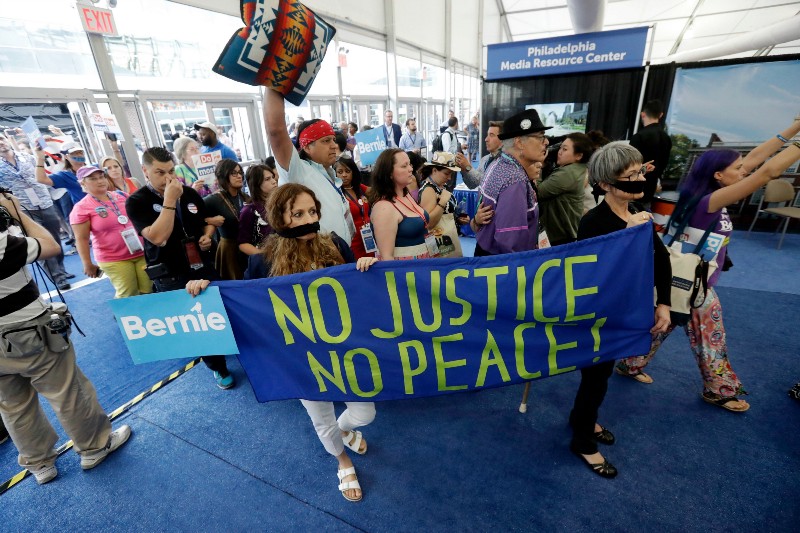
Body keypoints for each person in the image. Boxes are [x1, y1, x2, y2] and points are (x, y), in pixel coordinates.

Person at [187, 184, 378, 502]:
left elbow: (359, 290)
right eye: (298, 214)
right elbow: (246, 303)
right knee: (321, 417)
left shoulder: (335, 244)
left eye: (312, 211)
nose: (308, 219)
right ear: (280, 219)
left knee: (364, 414)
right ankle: (342, 461)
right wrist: (207, 289)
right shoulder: (264, 261)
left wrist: (367, 268)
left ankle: (344, 432)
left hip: (344, 350)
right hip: (298, 358)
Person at [615, 123, 800, 412]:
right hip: (695, 287)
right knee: (710, 338)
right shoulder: (710, 201)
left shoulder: (705, 193)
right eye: (738, 169)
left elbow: (756, 161)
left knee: (663, 323)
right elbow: (767, 172)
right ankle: (719, 389)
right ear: (718, 175)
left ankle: (629, 363)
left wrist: (794, 128)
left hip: (684, 281)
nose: (744, 171)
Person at [0, 191, 131, 485]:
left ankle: (39, 464)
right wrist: (18, 213)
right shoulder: (3, 242)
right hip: (24, 327)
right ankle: (95, 446)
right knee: (66, 390)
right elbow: (49, 245)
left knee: (12, 404)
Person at [570, 141, 672, 478]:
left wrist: (665, 303)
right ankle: (583, 442)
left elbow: (662, 259)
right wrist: (627, 239)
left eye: (640, 171)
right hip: (598, 317)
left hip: (626, 314)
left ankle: (581, 420)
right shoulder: (594, 222)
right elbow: (591, 278)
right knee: (595, 379)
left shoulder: (636, 216)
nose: (639, 178)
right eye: (629, 175)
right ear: (604, 184)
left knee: (600, 378)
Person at [125, 147, 235, 390]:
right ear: (145, 171)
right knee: (195, 321)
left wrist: (207, 236)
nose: (167, 178)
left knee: (217, 309)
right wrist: (169, 200)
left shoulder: (188, 193)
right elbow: (158, 237)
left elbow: (205, 222)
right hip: (171, 272)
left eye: (171, 171)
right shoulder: (137, 201)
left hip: (200, 263)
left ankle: (227, 348)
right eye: (159, 172)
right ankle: (218, 366)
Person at [264, 89, 355, 244]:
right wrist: (274, 84)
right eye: (326, 141)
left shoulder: (328, 173)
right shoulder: (297, 171)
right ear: (307, 147)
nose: (334, 145)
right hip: (316, 260)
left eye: (333, 139)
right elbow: (276, 131)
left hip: (340, 256)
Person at [0, 135, 72, 290]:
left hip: (45, 201)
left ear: (7, 140)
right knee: (40, 241)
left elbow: (41, 174)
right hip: (25, 208)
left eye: (1, 139)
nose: (1, 143)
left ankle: (60, 270)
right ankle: (57, 277)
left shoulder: (27, 157)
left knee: (55, 239)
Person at [474, 109, 549, 256]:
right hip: (503, 265)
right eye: (541, 137)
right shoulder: (515, 179)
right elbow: (510, 242)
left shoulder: (499, 164)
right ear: (520, 142)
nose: (546, 142)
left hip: (487, 254)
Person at [68, 165, 151, 298]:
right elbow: (81, 239)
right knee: (128, 294)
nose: (100, 181)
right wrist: (87, 263)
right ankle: (124, 317)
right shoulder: (81, 208)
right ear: (83, 183)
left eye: (101, 177)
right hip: (114, 258)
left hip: (141, 252)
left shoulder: (121, 195)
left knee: (148, 290)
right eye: (93, 179)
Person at [369, 148, 432, 260]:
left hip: (423, 265)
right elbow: (386, 257)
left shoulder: (406, 194)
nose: (410, 169)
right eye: (404, 166)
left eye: (410, 164)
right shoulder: (384, 208)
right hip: (405, 271)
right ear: (389, 173)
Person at [538, 133, 595, 246]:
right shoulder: (577, 169)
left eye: (565, 149)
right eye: (560, 147)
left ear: (578, 156)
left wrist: (539, 165)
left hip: (560, 237)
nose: (559, 152)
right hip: (565, 235)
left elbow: (538, 192)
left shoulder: (568, 173)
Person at [203, 159, 249, 280]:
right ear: (224, 175)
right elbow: (192, 217)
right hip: (229, 250)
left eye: (240, 173)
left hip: (247, 246)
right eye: (234, 173)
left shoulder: (244, 197)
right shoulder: (214, 199)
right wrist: (209, 221)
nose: (239, 176)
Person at [418, 152, 469, 258]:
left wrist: (457, 219)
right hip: (437, 245)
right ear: (434, 170)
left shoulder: (439, 186)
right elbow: (428, 224)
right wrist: (442, 202)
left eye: (451, 174)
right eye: (446, 173)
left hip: (445, 241)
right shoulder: (429, 190)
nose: (449, 178)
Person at [629, 100, 672, 208]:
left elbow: (628, 167)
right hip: (649, 193)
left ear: (642, 114)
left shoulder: (638, 137)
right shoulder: (667, 139)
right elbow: (662, 166)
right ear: (661, 115)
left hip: (630, 193)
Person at [334, 155, 374, 259]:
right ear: (334, 174)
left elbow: (378, 192)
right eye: (340, 172)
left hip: (368, 239)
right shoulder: (335, 193)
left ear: (353, 172)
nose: (344, 175)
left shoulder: (360, 188)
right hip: (352, 242)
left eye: (348, 171)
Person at [238, 161, 277, 255]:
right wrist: (263, 255)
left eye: (273, 177)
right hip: (265, 260)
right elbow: (243, 244)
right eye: (267, 179)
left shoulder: (280, 203)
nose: (274, 181)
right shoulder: (249, 211)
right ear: (257, 184)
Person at [458, 121, 504, 189]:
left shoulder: (504, 162)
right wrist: (463, 169)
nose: (486, 139)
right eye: (487, 135)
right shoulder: (485, 159)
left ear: (502, 139)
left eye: (491, 135)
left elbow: (486, 182)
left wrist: (467, 167)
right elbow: (472, 184)